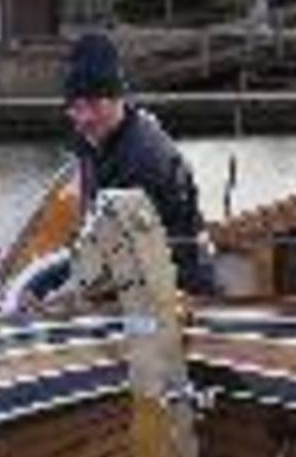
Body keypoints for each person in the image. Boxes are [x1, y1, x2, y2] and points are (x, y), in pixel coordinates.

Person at [63, 32, 215, 296]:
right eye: (75, 107)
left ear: (118, 98)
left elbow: (119, 258)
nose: (84, 117)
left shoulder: (142, 159)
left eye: (95, 105)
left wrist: (61, 299)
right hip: (123, 268)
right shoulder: (95, 139)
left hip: (170, 290)